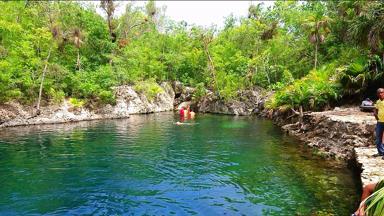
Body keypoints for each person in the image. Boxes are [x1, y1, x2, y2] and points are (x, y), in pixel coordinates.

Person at [373, 88, 384, 158]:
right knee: (378, 138)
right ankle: (381, 152)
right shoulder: (378, 101)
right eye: (379, 93)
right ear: (377, 94)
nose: (380, 94)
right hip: (380, 122)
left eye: (382, 92)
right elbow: (375, 110)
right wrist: (376, 116)